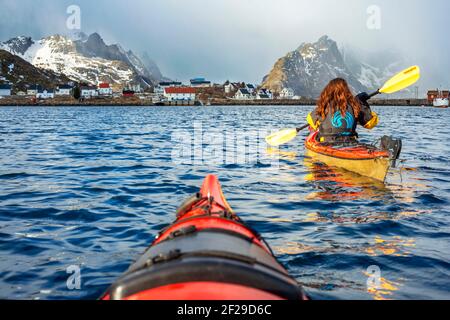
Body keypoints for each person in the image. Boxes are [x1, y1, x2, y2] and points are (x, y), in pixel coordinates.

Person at [306, 78, 379, 143]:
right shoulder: (355, 106)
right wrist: (362, 103)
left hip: (327, 144)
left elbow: (310, 120)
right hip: (350, 143)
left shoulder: (323, 107)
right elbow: (371, 123)